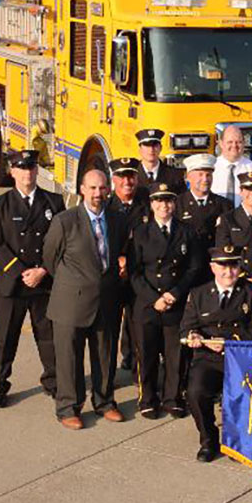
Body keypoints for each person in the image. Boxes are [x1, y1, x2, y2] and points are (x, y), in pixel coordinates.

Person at [42, 169, 130, 430]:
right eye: (92, 188)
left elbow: (118, 253)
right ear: (82, 189)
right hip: (71, 302)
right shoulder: (64, 221)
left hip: (105, 300)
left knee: (104, 354)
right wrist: (74, 282)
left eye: (102, 188)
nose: (97, 194)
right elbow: (50, 258)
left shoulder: (117, 220)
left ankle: (104, 402)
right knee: (69, 357)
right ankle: (68, 407)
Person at [0, 150, 64, 408]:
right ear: (12, 171)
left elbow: (59, 243)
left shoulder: (54, 202)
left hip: (44, 283)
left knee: (49, 337)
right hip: (12, 285)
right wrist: (22, 271)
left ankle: (53, 382)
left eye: (31, 168)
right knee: (6, 339)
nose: (27, 173)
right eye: (22, 168)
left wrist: (42, 270)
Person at [181, 246, 252, 462]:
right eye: (222, 266)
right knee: (195, 392)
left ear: (239, 268)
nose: (228, 272)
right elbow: (186, 327)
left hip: (241, 357)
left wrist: (230, 342)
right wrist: (193, 335)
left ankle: (236, 442)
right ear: (212, 267)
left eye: (233, 266)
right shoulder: (198, 293)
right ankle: (208, 440)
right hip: (208, 358)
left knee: (241, 394)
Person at [128, 183, 204, 419]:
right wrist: (155, 298)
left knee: (176, 356)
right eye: (159, 201)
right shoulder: (140, 233)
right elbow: (134, 272)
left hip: (176, 302)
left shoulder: (187, 231)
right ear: (151, 204)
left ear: (174, 204)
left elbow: (194, 268)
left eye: (168, 201)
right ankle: (148, 398)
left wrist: (174, 294)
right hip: (148, 304)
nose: (164, 206)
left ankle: (173, 398)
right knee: (147, 355)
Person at [107, 157, 146, 373]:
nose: (127, 181)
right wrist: (117, 260)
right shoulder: (105, 206)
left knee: (135, 320)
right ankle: (108, 369)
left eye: (131, 176)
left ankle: (131, 360)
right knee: (110, 325)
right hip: (113, 274)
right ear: (114, 179)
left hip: (137, 272)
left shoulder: (147, 204)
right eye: (122, 176)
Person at [178, 154, 231, 257]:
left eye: (208, 175)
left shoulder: (224, 205)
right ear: (188, 177)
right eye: (200, 174)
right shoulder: (178, 204)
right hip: (187, 261)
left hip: (214, 263)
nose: (205, 179)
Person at [213, 126, 252, 204]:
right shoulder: (210, 169)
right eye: (230, 142)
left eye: (239, 142)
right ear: (221, 143)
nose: (234, 145)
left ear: (244, 143)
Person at [135, 128, 185, 195]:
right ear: (140, 149)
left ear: (160, 148)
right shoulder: (131, 175)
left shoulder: (175, 175)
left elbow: (182, 201)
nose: (151, 149)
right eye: (147, 145)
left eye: (155, 145)